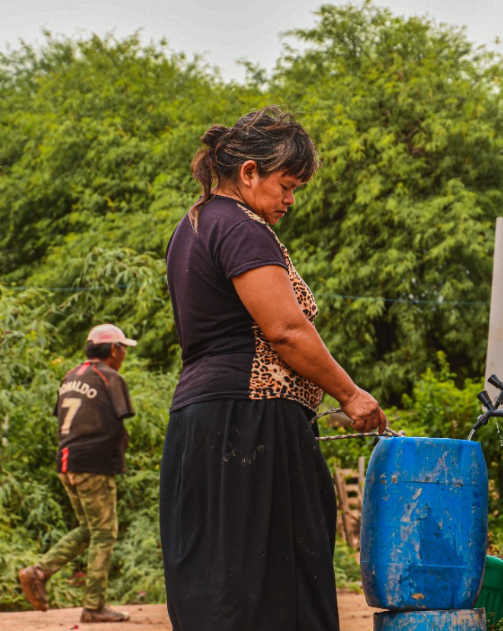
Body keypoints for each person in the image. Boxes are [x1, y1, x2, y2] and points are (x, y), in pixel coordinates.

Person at [161, 105, 386, 631]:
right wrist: (350, 395)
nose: (289, 200)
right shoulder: (243, 228)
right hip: (250, 423)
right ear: (248, 173)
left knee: (222, 582)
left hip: (202, 422)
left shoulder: (190, 227)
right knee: (273, 587)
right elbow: (285, 330)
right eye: (286, 185)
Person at [19, 324, 136, 623]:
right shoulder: (110, 377)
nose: (123, 355)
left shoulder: (70, 376)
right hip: (93, 465)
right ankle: (94, 606)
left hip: (67, 463)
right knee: (105, 534)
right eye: (123, 348)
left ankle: (39, 571)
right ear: (113, 349)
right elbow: (121, 420)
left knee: (88, 529)